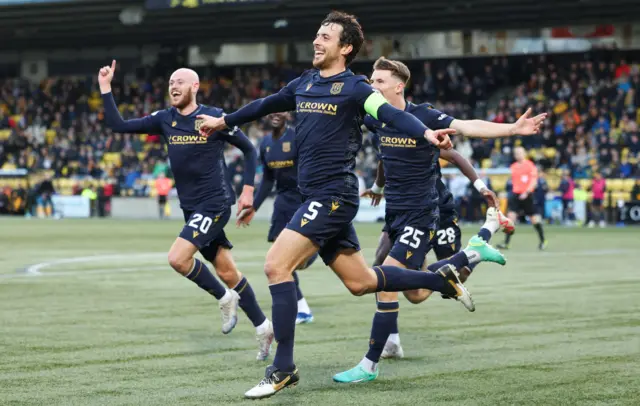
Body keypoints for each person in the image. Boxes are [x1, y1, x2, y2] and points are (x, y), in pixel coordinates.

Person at [197, 11, 507, 399]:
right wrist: (223, 121)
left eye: (325, 36)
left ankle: (283, 367)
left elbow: (391, 114)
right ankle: (439, 279)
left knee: (276, 265)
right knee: (361, 282)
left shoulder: (356, 88)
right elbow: (262, 104)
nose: (316, 41)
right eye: (317, 34)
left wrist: (427, 132)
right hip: (318, 197)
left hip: (334, 196)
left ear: (345, 48)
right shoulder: (304, 83)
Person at [333, 57, 542, 383]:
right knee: (414, 293)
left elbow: (466, 126)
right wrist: (377, 186)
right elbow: (387, 156)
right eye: (371, 81)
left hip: (422, 214)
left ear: (398, 86)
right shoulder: (377, 118)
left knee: (384, 280)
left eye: (379, 82)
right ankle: (473, 252)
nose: (372, 87)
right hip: (395, 214)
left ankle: (370, 364)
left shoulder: (425, 116)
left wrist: (512, 129)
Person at [97, 61, 274, 361]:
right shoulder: (165, 119)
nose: (173, 86)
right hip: (191, 209)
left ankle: (223, 297)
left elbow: (249, 150)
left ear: (195, 87)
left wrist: (247, 190)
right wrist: (105, 88)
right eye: (170, 83)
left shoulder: (215, 117)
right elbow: (119, 126)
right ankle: (263, 326)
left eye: (180, 81)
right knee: (228, 271)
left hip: (216, 203)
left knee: (177, 258)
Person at [237, 112, 318, 324]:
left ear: (288, 114)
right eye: (272, 111)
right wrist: (253, 206)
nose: (275, 114)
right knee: (279, 257)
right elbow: (267, 179)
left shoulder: (297, 138)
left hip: (302, 200)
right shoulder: (265, 143)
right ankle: (302, 309)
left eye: (280, 110)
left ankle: (318, 247)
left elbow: (311, 170)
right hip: (282, 203)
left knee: (298, 261)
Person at [498, 146, 547, 250]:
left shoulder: (530, 165)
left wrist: (527, 192)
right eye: (516, 153)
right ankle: (506, 243)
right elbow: (511, 182)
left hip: (527, 195)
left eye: (520, 152)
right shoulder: (513, 166)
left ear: (524, 153)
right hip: (515, 195)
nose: (518, 155)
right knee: (510, 218)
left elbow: (533, 181)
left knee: (534, 219)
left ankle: (543, 240)